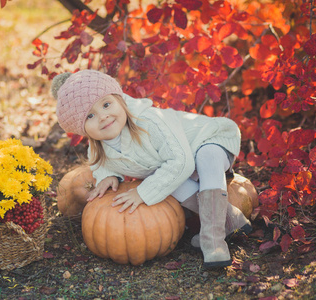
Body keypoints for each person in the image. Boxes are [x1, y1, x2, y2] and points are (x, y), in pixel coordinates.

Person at [51, 69, 252, 269]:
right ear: (82, 129)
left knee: (206, 156)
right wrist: (108, 175)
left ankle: (214, 242)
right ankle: (230, 219)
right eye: (90, 116)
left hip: (209, 139)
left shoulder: (149, 120)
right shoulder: (100, 145)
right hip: (183, 164)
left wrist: (142, 193)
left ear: (119, 99)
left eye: (106, 104)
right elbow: (97, 162)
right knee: (166, 183)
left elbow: (181, 162)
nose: (103, 116)